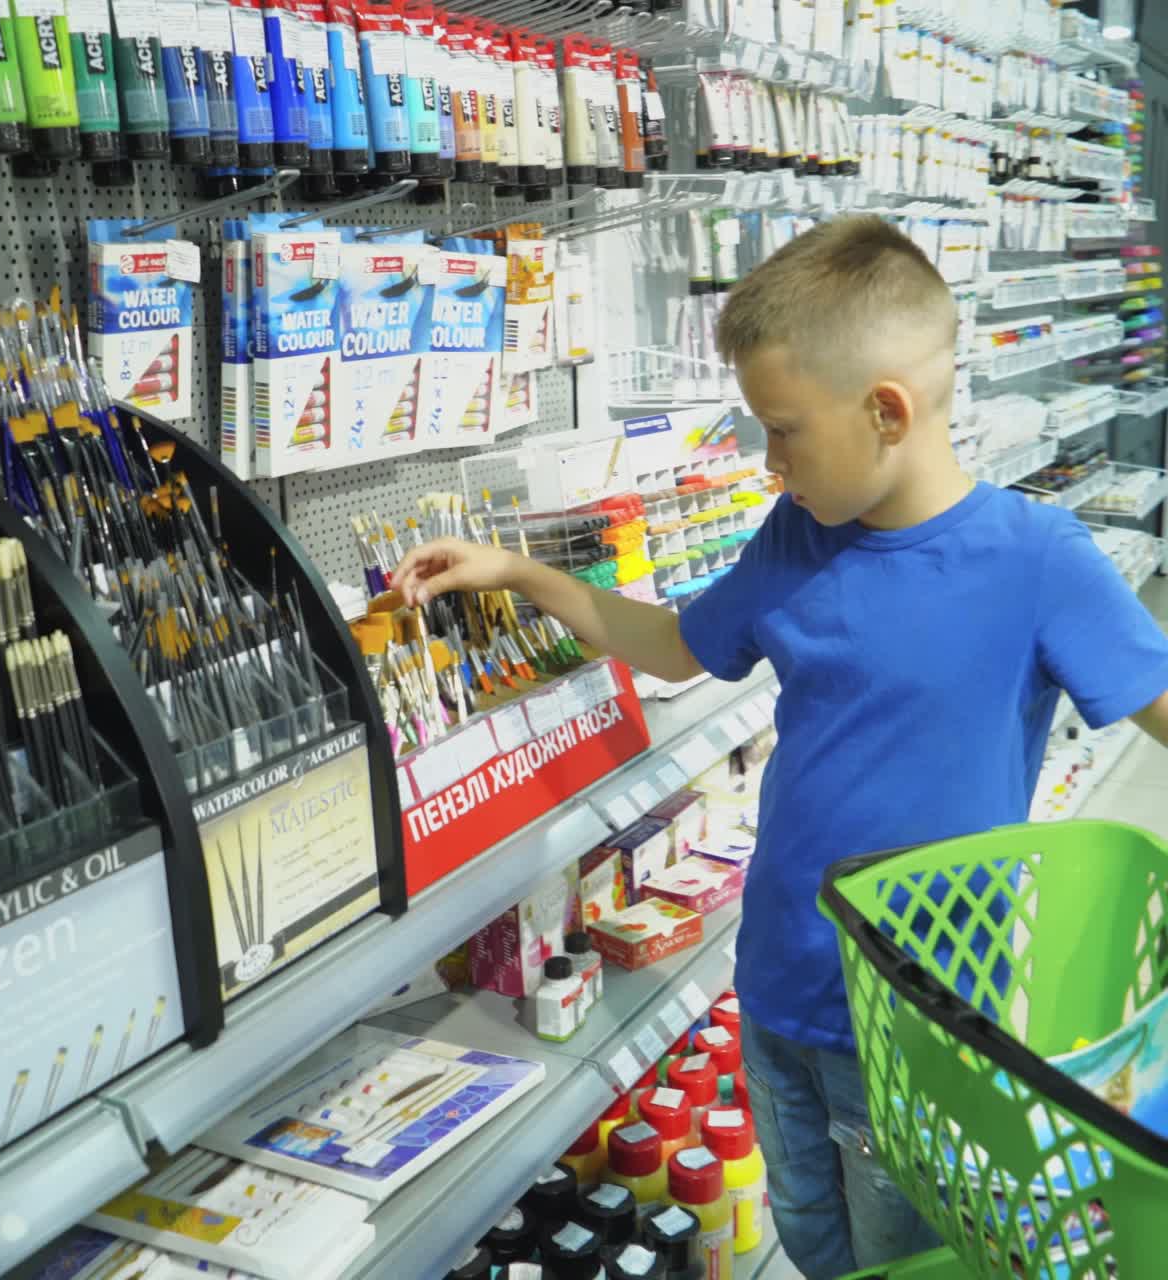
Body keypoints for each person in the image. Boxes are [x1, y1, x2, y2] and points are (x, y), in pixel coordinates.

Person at [392, 215, 1168, 1278]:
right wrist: (522, 575)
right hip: (776, 984)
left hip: (919, 1018)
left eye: (783, 430)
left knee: (901, 1248)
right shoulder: (794, 541)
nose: (767, 463)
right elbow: (671, 648)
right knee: (808, 1232)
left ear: (884, 410)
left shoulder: (1035, 559)